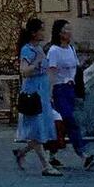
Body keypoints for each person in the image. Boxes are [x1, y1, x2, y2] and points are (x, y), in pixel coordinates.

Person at [47, 20, 94, 170]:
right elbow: (51, 72)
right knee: (69, 120)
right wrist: (49, 93)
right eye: (66, 29)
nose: (69, 32)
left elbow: (76, 69)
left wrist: (79, 89)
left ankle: (51, 154)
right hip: (59, 89)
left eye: (70, 29)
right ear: (60, 33)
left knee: (62, 123)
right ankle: (83, 154)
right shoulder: (54, 51)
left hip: (70, 88)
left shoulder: (70, 49)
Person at [13, 18, 61, 176]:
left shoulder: (39, 48)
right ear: (34, 33)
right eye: (41, 29)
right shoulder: (27, 50)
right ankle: (46, 165)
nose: (43, 32)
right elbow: (24, 71)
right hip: (33, 93)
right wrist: (37, 63)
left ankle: (22, 153)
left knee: (40, 129)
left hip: (42, 92)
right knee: (37, 128)